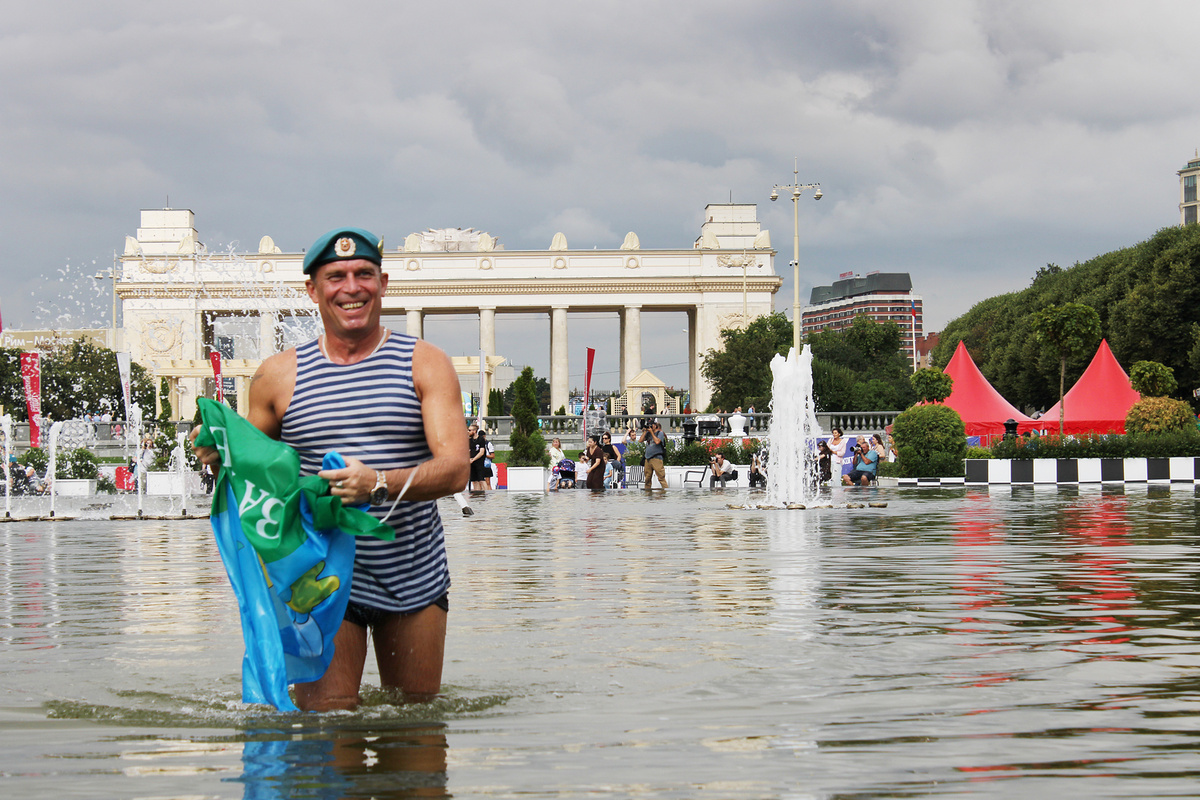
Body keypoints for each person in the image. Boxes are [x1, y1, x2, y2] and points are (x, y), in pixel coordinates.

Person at [191, 226, 469, 712]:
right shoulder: (276, 376)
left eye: (364, 274)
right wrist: (219, 453)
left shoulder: (425, 363)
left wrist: (378, 484)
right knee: (328, 734)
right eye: (335, 276)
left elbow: (455, 470)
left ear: (383, 284)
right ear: (312, 290)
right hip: (317, 577)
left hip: (412, 573)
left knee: (418, 733)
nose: (352, 287)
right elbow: (252, 480)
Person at [640, 421, 667, 489]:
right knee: (647, 479)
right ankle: (647, 493)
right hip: (648, 458)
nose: (650, 427)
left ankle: (666, 491)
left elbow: (657, 441)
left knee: (661, 477)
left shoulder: (660, 433)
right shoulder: (648, 433)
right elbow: (640, 440)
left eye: (651, 425)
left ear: (655, 426)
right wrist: (645, 431)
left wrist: (652, 432)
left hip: (656, 458)